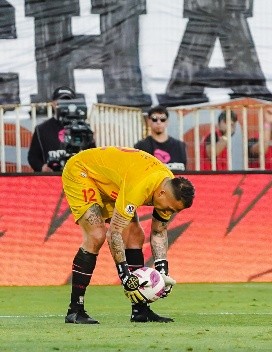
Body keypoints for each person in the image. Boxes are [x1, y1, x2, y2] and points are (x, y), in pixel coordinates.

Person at [62, 146, 195, 324]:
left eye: (174, 211)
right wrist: (125, 275)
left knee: (134, 235)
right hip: (83, 172)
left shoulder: (169, 190)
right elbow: (114, 233)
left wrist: (162, 271)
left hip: (113, 182)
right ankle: (75, 310)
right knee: (97, 235)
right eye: (170, 209)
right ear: (162, 193)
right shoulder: (140, 186)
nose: (169, 212)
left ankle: (140, 311)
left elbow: (158, 231)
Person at [27, 86, 76, 172]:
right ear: (53, 103)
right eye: (60, 101)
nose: (63, 104)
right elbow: (33, 157)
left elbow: (92, 154)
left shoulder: (82, 127)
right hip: (51, 179)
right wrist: (42, 167)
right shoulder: (41, 129)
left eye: (67, 101)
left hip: (77, 178)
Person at [134, 105, 187, 171]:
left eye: (162, 119)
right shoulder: (140, 147)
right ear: (149, 121)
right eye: (154, 119)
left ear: (167, 122)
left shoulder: (179, 146)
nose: (158, 122)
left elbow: (184, 172)